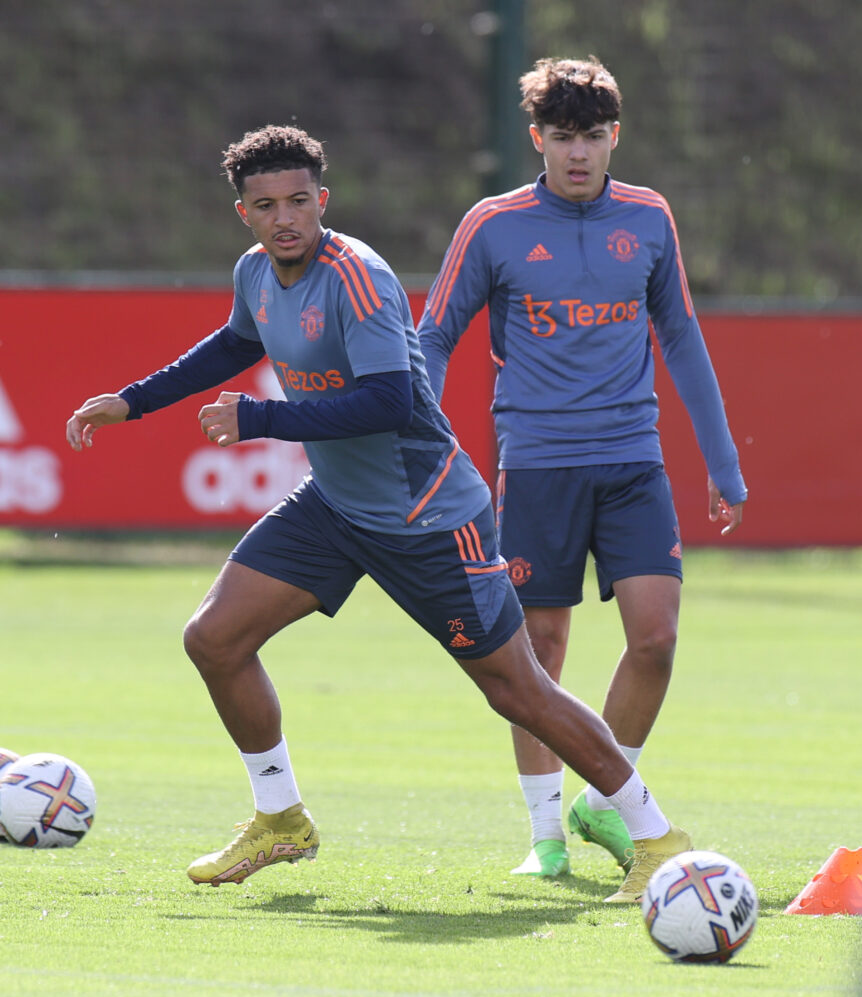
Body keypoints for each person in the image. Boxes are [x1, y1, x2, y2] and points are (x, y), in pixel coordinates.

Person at [66, 123, 691, 901]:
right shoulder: (256, 273)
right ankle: (279, 818)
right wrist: (134, 400)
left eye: (299, 200)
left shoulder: (356, 275)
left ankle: (655, 836)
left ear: (322, 200)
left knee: (517, 690)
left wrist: (261, 421)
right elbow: (232, 345)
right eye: (267, 205)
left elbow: (389, 402)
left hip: (428, 517)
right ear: (245, 214)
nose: (285, 216)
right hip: (336, 507)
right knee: (215, 638)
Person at [418, 57, 746, 879]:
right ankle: (544, 839)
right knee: (539, 650)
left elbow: (680, 336)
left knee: (657, 640)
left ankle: (601, 803)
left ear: (613, 138)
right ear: (536, 138)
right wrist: (421, 442)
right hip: (536, 467)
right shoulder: (491, 225)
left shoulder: (648, 217)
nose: (577, 153)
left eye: (592, 137)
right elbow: (430, 339)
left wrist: (721, 460)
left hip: (633, 462)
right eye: (561, 137)